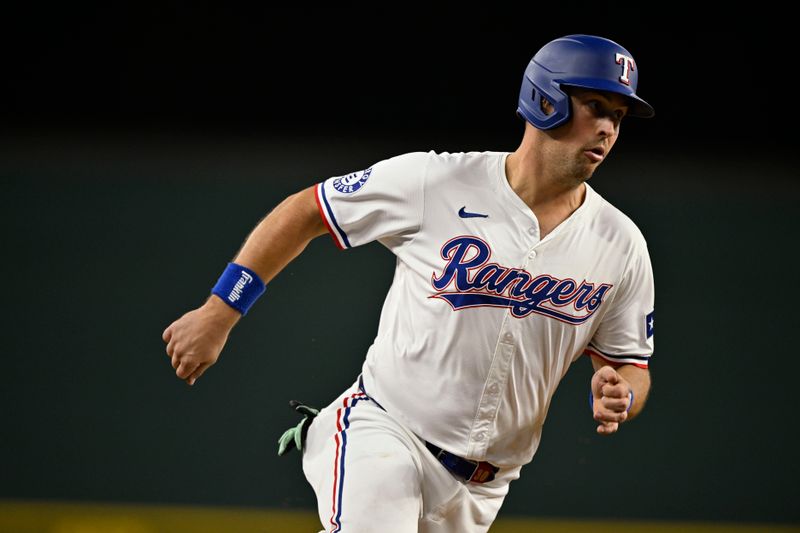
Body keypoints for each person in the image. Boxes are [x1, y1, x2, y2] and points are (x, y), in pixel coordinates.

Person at [162, 33, 656, 532]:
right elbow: (308, 210)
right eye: (596, 105)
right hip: (387, 432)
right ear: (544, 98)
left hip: (484, 488)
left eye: (618, 116)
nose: (608, 128)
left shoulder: (621, 243)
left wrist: (625, 394)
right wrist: (220, 309)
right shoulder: (438, 181)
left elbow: (631, 365)